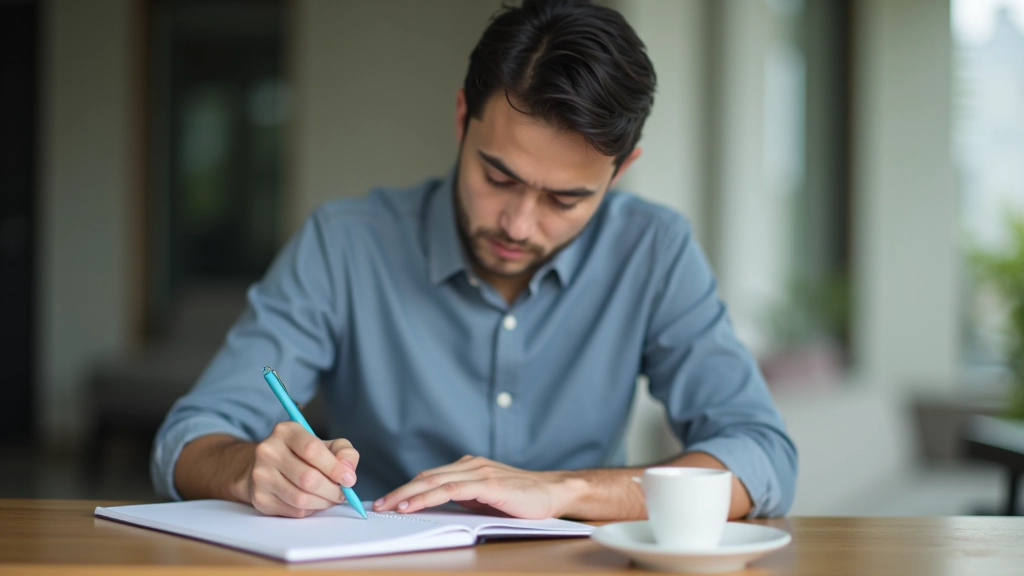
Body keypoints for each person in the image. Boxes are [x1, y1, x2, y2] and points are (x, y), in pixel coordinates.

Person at [152, 0, 797, 522]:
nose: (519, 224)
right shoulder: (344, 244)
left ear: (621, 170)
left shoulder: (654, 251)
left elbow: (761, 454)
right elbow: (188, 439)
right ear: (463, 118)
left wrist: (565, 492)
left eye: (566, 199)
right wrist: (250, 470)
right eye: (498, 175)